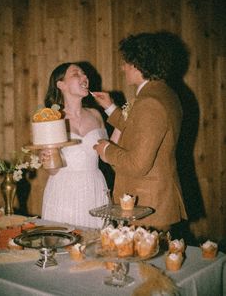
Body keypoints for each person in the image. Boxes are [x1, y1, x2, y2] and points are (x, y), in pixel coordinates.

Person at [93, 32, 188, 233]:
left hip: (147, 206)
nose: (122, 68)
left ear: (137, 65)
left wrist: (106, 150)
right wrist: (110, 107)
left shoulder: (149, 102)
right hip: (155, 198)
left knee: (144, 263)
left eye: (125, 62)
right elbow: (140, 128)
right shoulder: (163, 93)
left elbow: (138, 164)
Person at [41, 62, 108, 228]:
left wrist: (122, 120)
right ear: (60, 84)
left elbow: (108, 154)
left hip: (95, 186)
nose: (84, 77)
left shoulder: (96, 114)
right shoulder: (52, 118)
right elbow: (52, 169)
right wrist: (46, 158)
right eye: (76, 74)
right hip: (64, 189)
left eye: (84, 74)